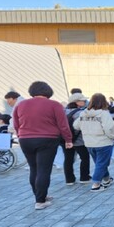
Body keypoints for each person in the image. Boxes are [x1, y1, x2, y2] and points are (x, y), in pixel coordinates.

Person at [13, 81, 73, 210]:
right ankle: (40, 200)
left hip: (25, 139)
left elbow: (16, 124)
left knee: (34, 168)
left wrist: (20, 135)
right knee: (44, 169)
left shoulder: (21, 105)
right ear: (48, 91)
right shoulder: (54, 105)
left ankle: (39, 196)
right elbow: (63, 124)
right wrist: (68, 139)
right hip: (48, 138)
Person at [74, 93, 114, 192]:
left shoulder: (83, 113)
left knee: (99, 163)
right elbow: (109, 128)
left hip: (89, 143)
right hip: (103, 142)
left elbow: (76, 125)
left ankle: (106, 179)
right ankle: (96, 183)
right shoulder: (104, 113)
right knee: (102, 163)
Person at [63, 93, 92, 186]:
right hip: (79, 139)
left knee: (68, 159)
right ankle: (84, 177)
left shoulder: (64, 111)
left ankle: (69, 179)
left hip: (66, 139)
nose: (84, 102)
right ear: (77, 102)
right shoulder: (81, 113)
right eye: (82, 100)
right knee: (84, 158)